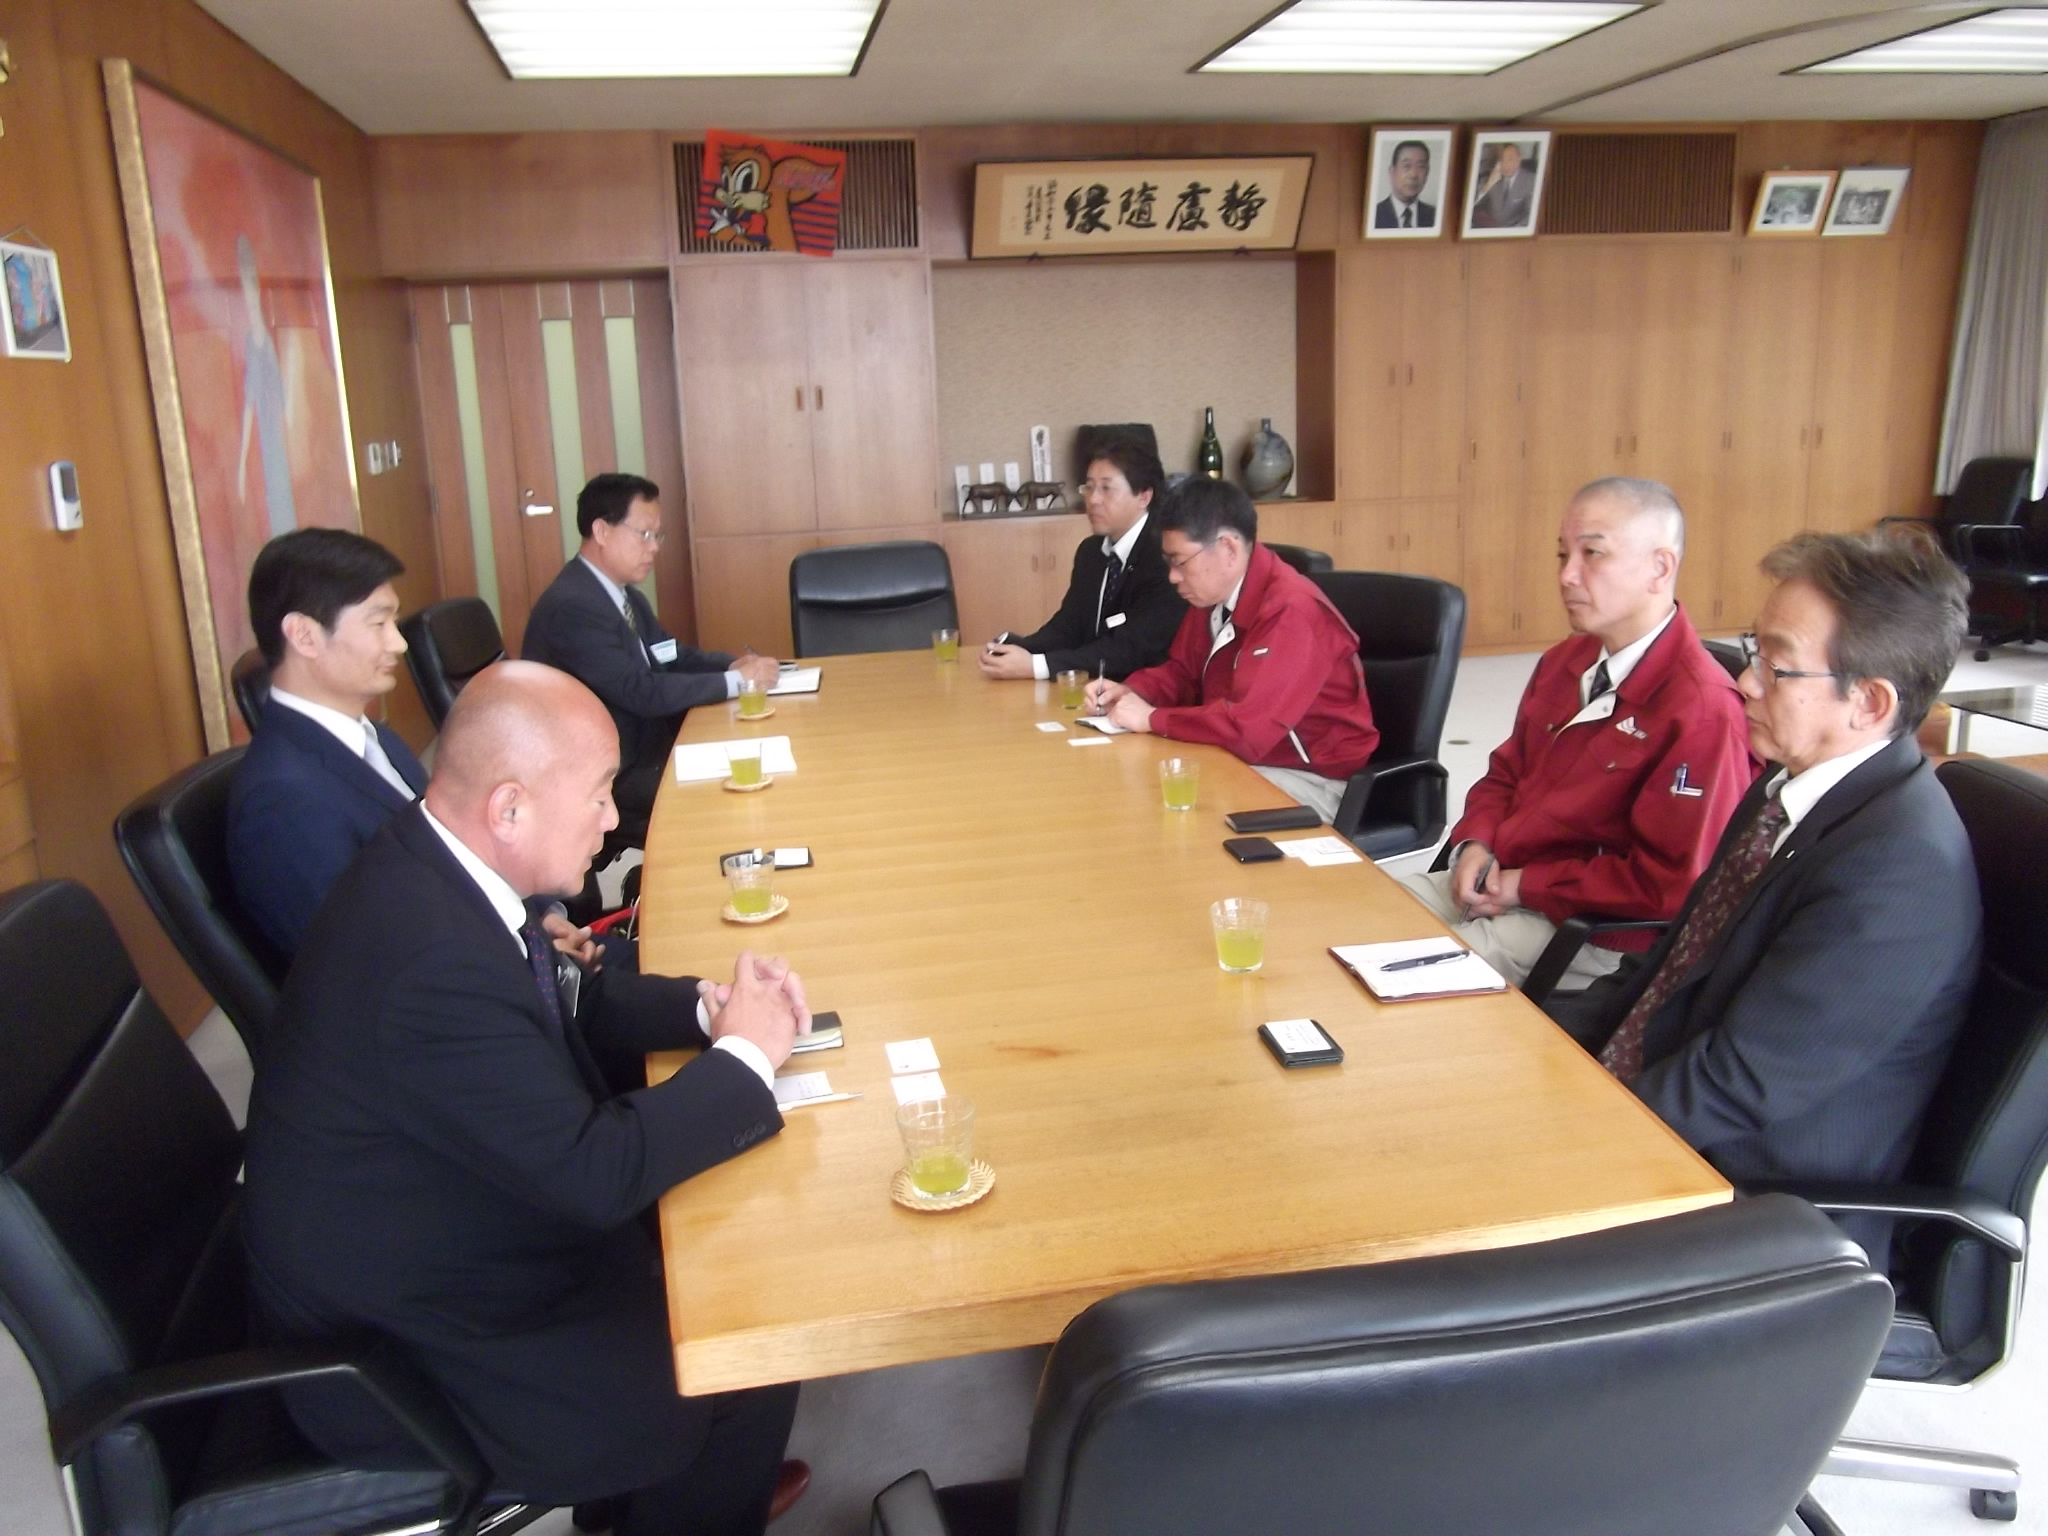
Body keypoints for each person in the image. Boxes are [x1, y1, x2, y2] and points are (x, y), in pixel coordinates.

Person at [242, 660, 809, 1535]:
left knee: (724, 1263)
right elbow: (593, 1174)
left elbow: (565, 997)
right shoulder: (429, 964)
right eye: (599, 794)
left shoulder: (436, 867)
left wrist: (707, 1009)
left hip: (438, 1230)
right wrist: (744, 1059)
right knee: (744, 1342)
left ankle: (657, 1494)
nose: (613, 820)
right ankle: (679, 1488)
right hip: (410, 1348)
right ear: (509, 808)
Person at [1583, 530, 1980, 1260]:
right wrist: (1534, 1051)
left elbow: (1734, 1085)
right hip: (1668, 1123)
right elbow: (1668, 970)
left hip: (1756, 1208)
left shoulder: (1899, 870)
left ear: (1869, 702)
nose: (1746, 682)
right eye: (1753, 652)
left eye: (1777, 665)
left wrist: (1573, 1139)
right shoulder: (1785, 790)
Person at [1400, 479, 1757, 991]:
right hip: (1501, 879)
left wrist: (1529, 886)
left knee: (1398, 972)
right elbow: (1506, 772)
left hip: (1589, 929)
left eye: (1593, 554)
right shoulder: (1564, 661)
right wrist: (1476, 842)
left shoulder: (1701, 709)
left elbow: (1672, 884)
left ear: (1660, 568)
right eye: (1563, 555)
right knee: (1351, 916)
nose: (1567, 575)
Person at [1086, 478, 1377, 822]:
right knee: (1143, 782)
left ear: (1228, 549)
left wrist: (1151, 718)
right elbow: (1183, 673)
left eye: (1180, 561)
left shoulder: (1292, 612)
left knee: (1180, 805)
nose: (1173, 577)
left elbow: (1248, 730)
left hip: (1315, 781)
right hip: (1238, 758)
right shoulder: (1213, 596)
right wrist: (1133, 692)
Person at [522, 472, 780, 833]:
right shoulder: (574, 606)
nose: (654, 547)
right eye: (644, 534)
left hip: (649, 744)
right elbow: (640, 691)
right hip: (613, 771)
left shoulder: (624, 595)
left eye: (657, 535)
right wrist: (735, 682)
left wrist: (731, 665)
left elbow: (669, 655)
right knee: (741, 793)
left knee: (754, 758)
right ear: (602, 531)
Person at [229, 528, 427, 956]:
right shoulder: (282, 800)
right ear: (304, 636)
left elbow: (455, 848)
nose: (399, 642)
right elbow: (359, 957)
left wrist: (534, 919)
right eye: (378, 623)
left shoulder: (377, 738)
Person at [978, 428, 1184, 683]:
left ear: (1144, 496)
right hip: (1093, 686)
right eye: (1089, 487)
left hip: (1142, 690)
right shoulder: (1091, 551)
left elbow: (1129, 650)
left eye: (1106, 488)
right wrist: (1020, 649)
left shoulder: (1164, 557)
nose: (1093, 499)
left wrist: (1036, 666)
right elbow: (1069, 626)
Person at [1471, 142, 1537, 230]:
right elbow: (1471, 207)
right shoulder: (1491, 176)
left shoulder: (1531, 180)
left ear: (1519, 159)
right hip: (1488, 228)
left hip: (1515, 231)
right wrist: (1488, 185)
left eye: (1510, 159)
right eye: (1501, 160)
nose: (1505, 164)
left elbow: (1531, 215)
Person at [1373, 138, 1437, 230]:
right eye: (1406, 166)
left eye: (1421, 166)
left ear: (1427, 172)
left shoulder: (1435, 216)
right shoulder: (1373, 216)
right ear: (1392, 172)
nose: (1413, 174)